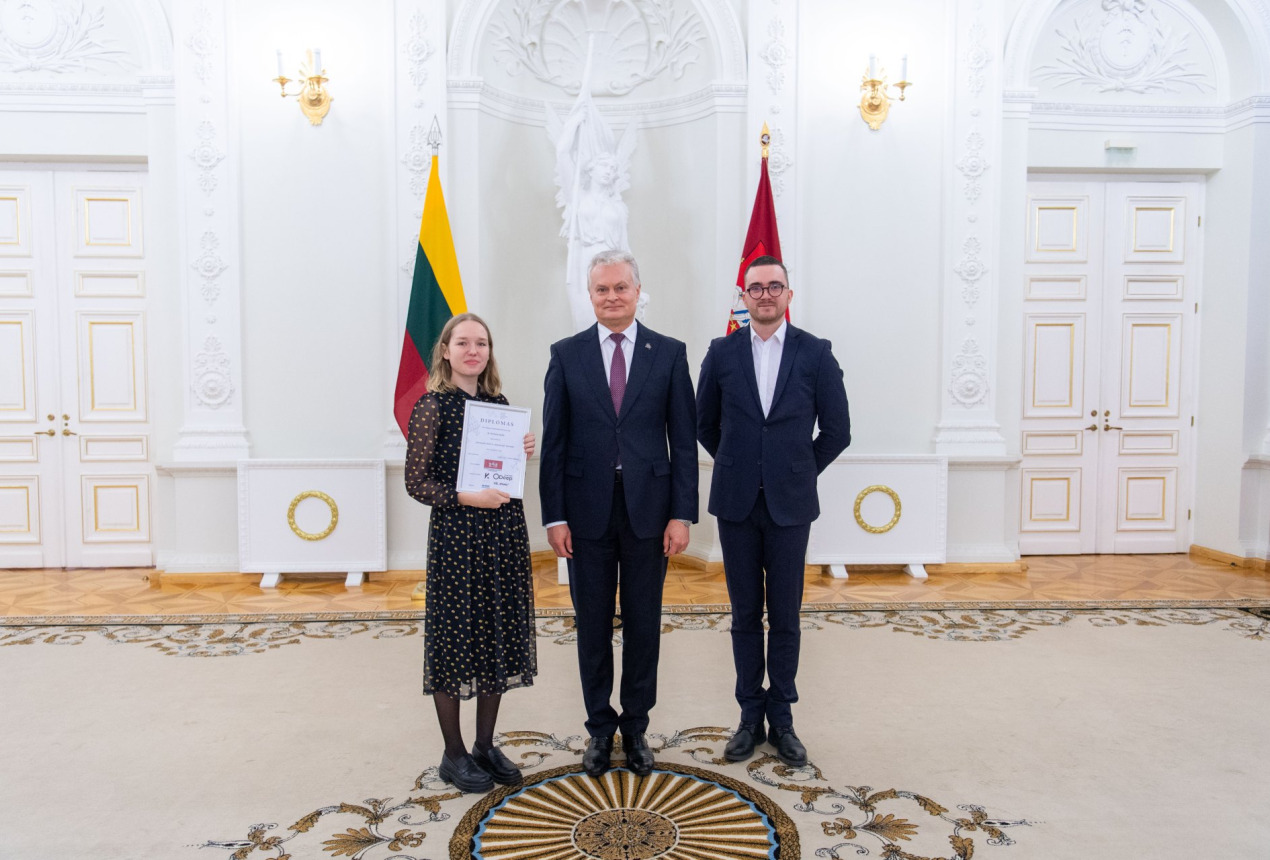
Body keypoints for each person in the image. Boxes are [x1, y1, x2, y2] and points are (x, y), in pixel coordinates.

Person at [539, 249, 698, 778]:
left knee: (644, 626)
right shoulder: (566, 354)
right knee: (592, 628)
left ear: (637, 291)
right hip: (584, 516)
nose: (611, 297)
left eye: (620, 288)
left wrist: (683, 514)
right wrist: (553, 516)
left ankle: (636, 729)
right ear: (591, 296)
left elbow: (683, 439)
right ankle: (599, 730)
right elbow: (555, 444)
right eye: (602, 289)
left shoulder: (670, 354)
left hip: (651, 515)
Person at [695, 255, 851, 767]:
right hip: (736, 504)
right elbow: (704, 424)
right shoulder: (721, 353)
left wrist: (795, 470)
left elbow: (837, 431)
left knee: (785, 615)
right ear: (743, 297)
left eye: (774, 286)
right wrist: (742, 464)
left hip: (791, 504)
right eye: (755, 287)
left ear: (789, 295)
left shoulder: (816, 353)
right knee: (744, 614)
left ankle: (781, 718)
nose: (765, 294)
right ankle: (747, 715)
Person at [405, 312, 538, 793]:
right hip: (458, 539)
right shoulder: (431, 407)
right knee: (455, 643)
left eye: (481, 343)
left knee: (495, 637)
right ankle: (454, 754)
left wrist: (520, 449)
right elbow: (415, 483)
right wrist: (468, 496)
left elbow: (500, 469)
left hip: (503, 535)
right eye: (462, 342)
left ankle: (484, 745)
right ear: (445, 351)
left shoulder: (499, 406)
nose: (473, 350)